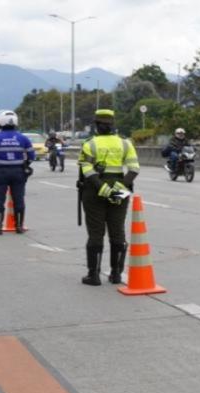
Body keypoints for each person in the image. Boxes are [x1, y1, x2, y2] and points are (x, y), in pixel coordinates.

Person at [77, 109, 140, 286]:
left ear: (96, 125)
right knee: (117, 231)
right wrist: (118, 189)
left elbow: (86, 169)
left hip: (95, 190)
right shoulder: (125, 143)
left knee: (96, 233)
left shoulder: (90, 143)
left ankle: (93, 276)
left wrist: (103, 188)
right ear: (113, 125)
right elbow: (134, 169)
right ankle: (116, 275)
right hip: (122, 188)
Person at [0, 110, 35, 235]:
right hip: (18, 172)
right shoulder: (23, 138)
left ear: (0, 122)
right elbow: (31, 155)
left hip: (0, 172)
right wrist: (25, 165)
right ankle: (19, 227)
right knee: (19, 199)